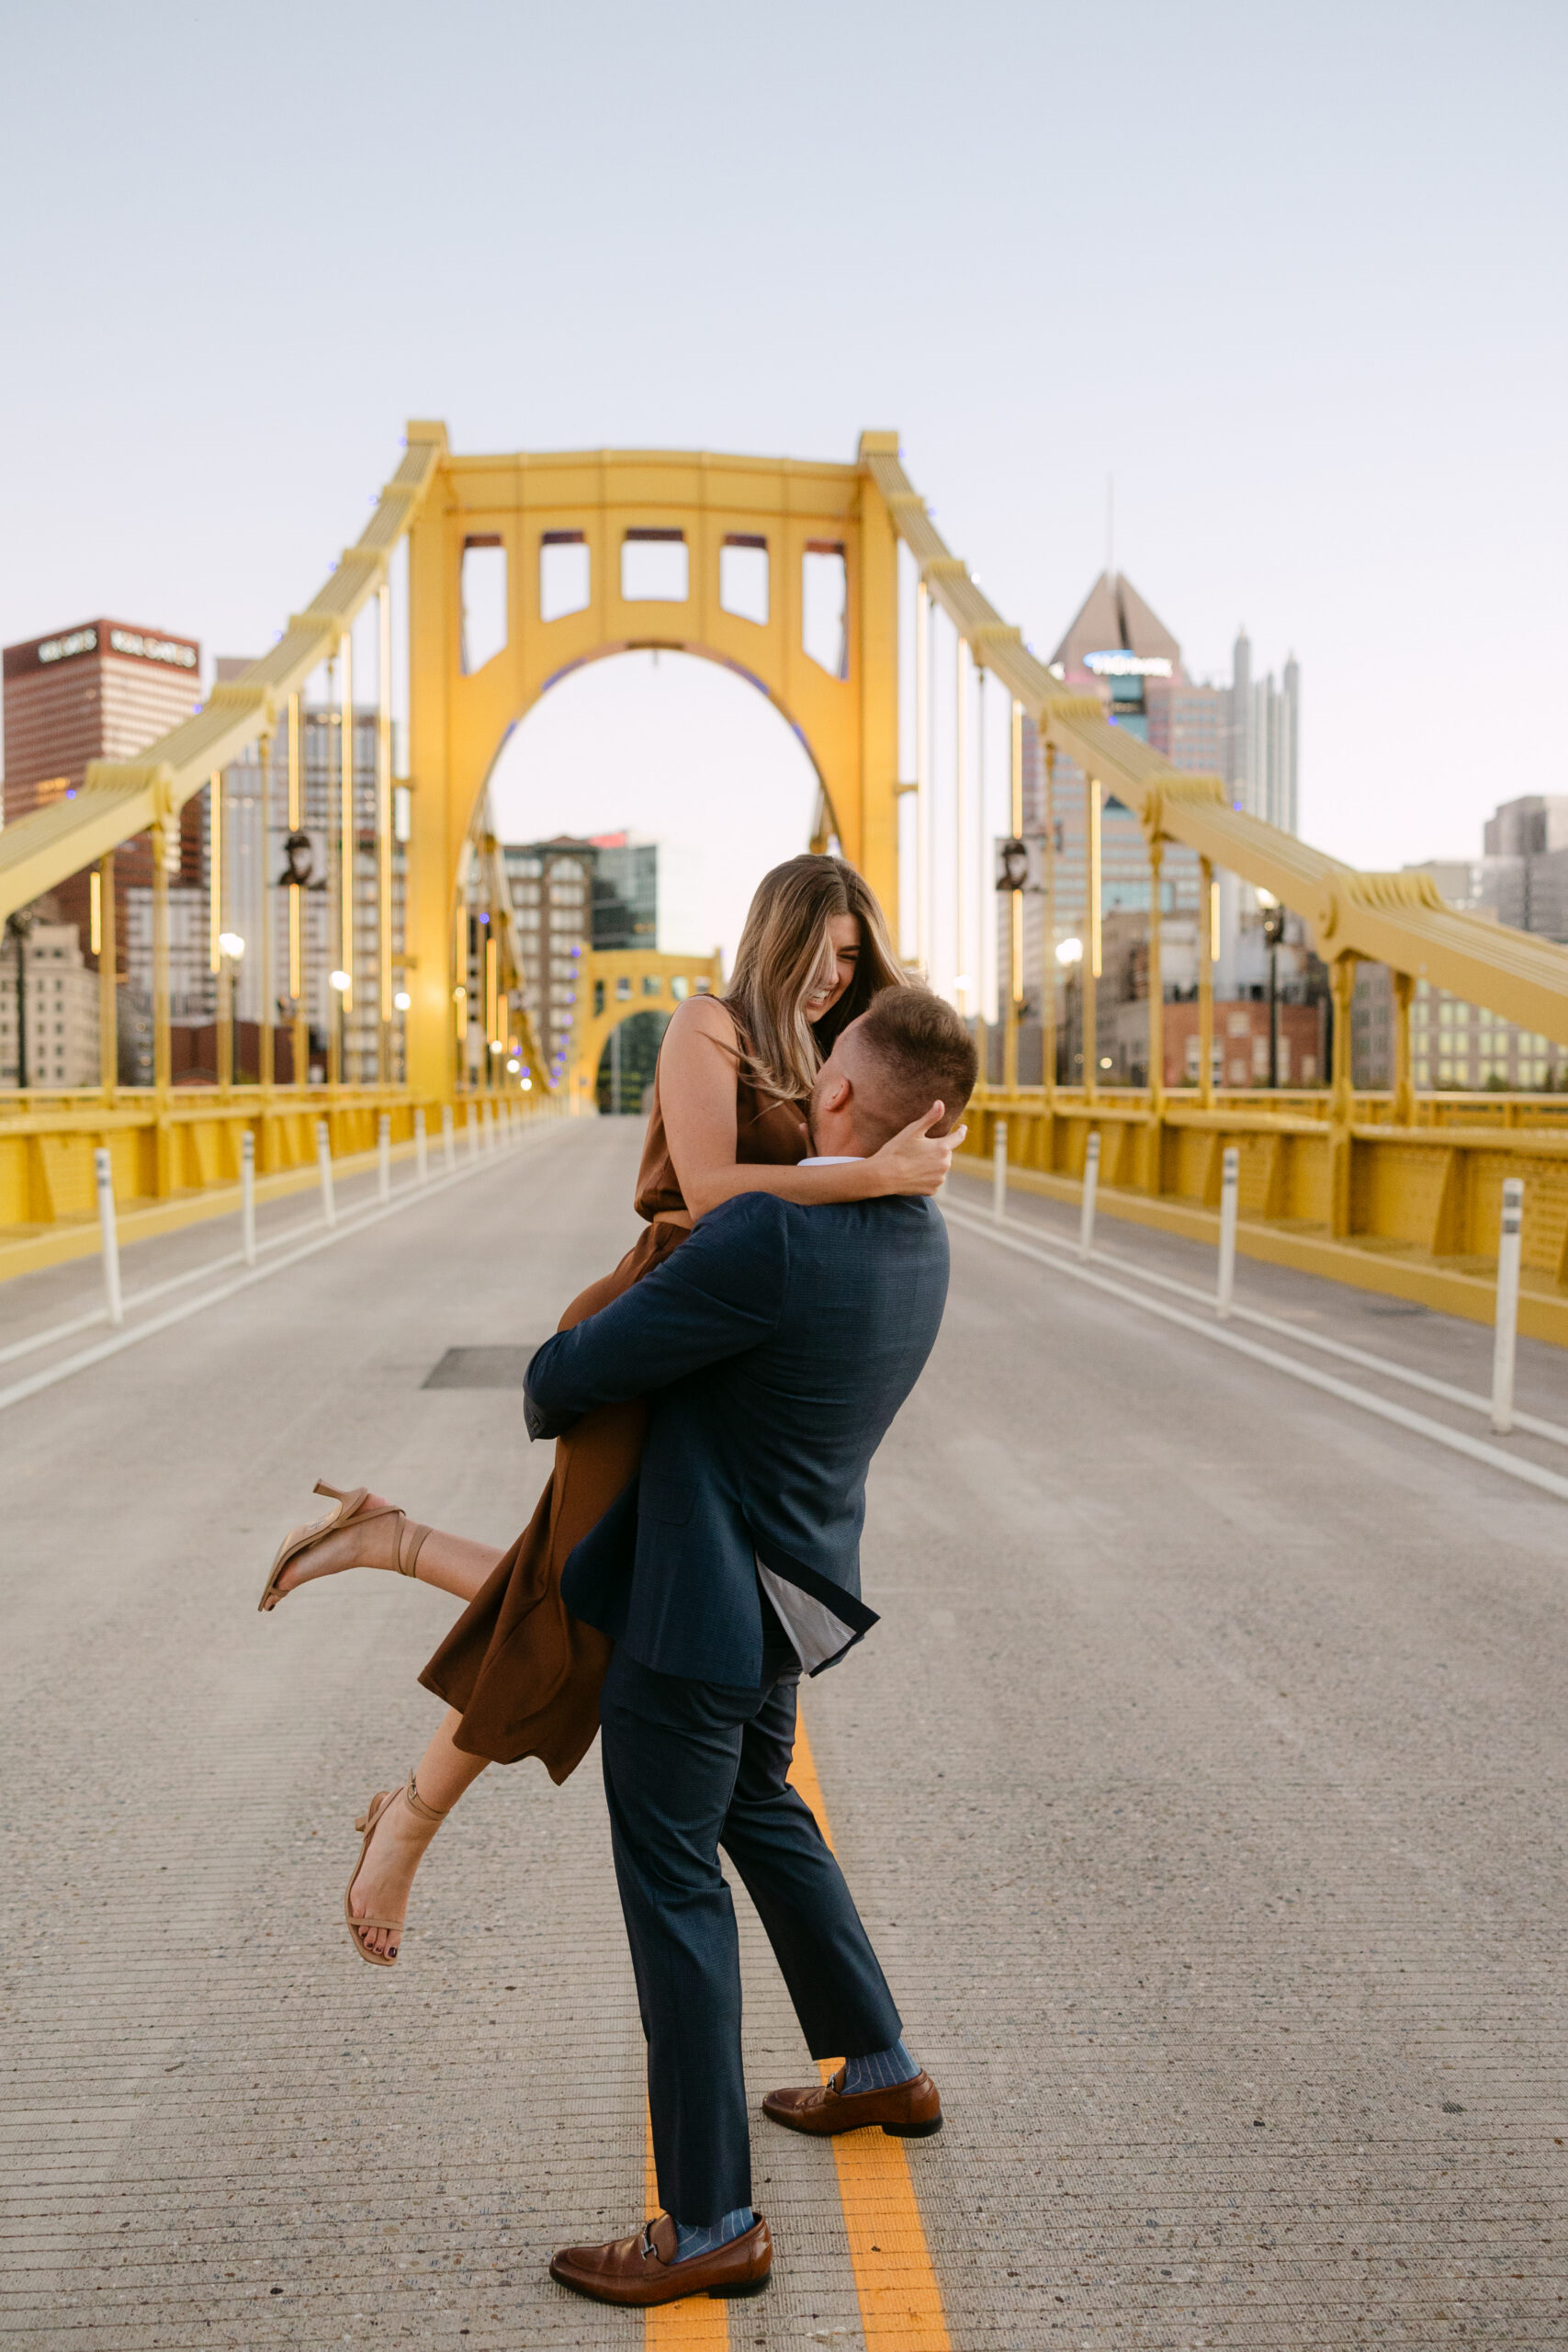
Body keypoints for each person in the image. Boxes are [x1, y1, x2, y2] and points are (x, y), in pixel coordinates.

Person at [257, 855, 965, 1965]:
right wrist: (869, 1182)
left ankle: (388, 1542)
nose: (840, 978)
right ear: (778, 937)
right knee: (574, 1597)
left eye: (855, 961)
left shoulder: (827, 1059)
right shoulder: (709, 1026)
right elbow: (714, 1186)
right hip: (661, 1320)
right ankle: (408, 1821)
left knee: (588, 1584)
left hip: (730, 1349)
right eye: (828, 954)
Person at [532, 985, 978, 2308]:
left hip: (697, 1609)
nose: (800, 1075)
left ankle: (710, 2218)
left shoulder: (770, 1244)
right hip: (798, 1594)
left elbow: (557, 1382)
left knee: (673, 1886)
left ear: (841, 1098)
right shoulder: (920, 1240)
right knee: (759, 1808)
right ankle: (878, 2062)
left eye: (821, 1058)